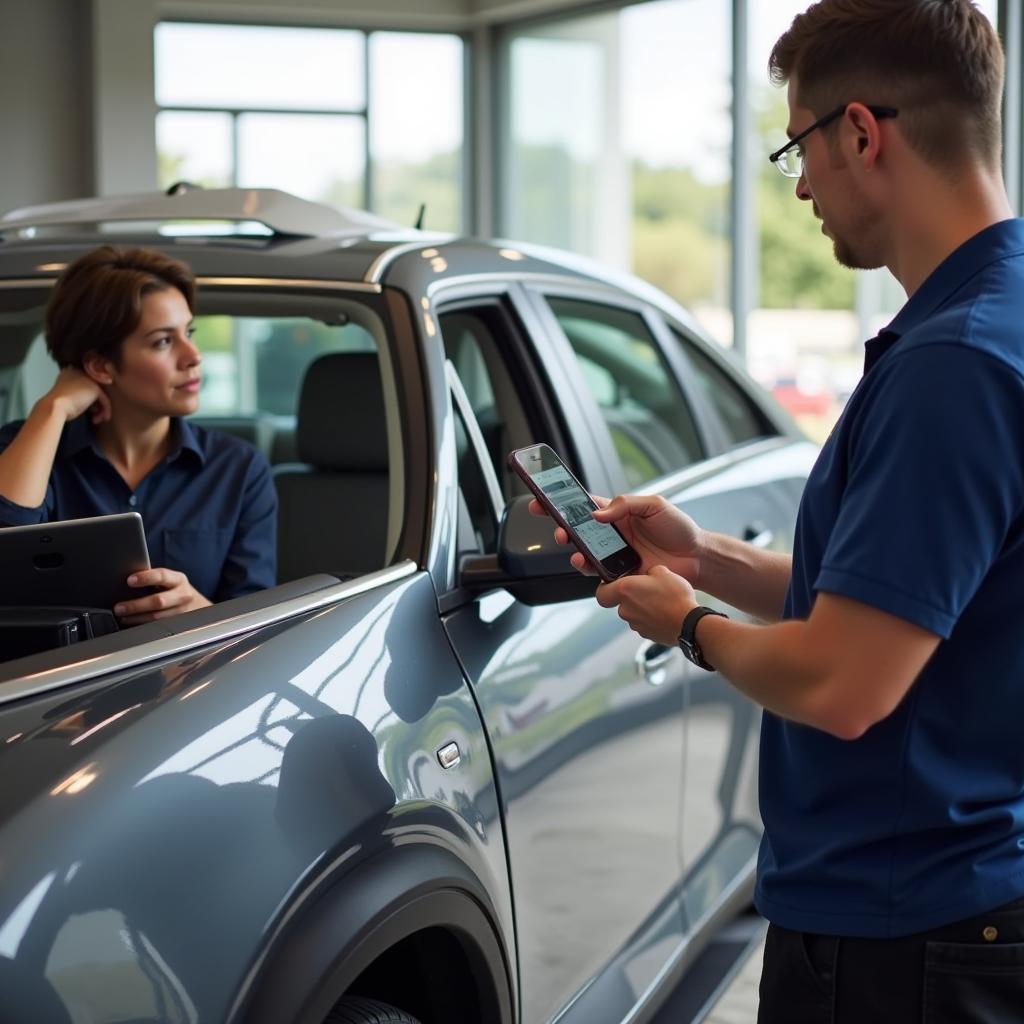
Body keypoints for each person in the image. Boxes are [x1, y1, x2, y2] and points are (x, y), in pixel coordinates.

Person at [537, 1, 1024, 1019]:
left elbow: (845, 681)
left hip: (903, 929)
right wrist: (702, 555)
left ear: (859, 131)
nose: (798, 181)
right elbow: (902, 602)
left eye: (797, 145)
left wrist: (686, 625)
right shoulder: (994, 317)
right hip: (952, 889)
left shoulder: (949, 366)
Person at [0, 246, 277, 623]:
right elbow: (7, 541)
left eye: (188, 332)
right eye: (163, 341)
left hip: (199, 678)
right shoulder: (25, 449)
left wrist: (196, 610)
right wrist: (53, 408)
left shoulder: (240, 469)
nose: (193, 355)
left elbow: (260, 628)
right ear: (101, 365)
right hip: (53, 678)